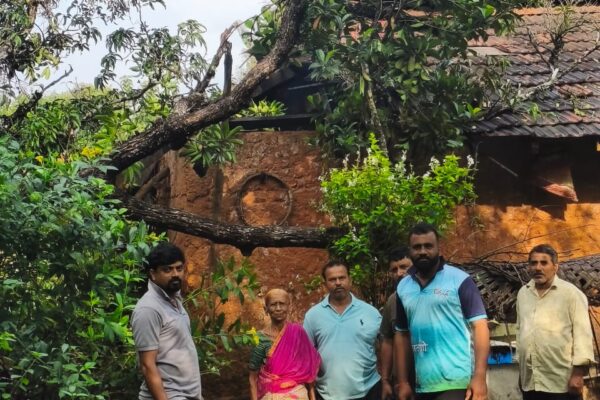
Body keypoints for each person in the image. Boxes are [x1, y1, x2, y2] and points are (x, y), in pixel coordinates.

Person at [394, 222, 489, 400]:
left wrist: (479, 376)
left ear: (439, 248)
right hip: (422, 385)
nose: (423, 251)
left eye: (428, 246)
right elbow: (402, 334)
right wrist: (403, 382)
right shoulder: (403, 287)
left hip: (458, 382)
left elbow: (480, 326)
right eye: (417, 247)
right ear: (410, 251)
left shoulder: (460, 280)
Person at [516, 244, 595, 400]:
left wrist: (578, 374)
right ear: (529, 267)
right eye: (533, 263)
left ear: (555, 267)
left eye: (544, 263)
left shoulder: (571, 294)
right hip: (531, 381)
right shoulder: (523, 294)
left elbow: (583, 335)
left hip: (561, 382)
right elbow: (520, 331)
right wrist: (521, 370)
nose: (538, 268)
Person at [131, 242, 202, 400]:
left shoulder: (174, 300)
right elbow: (147, 365)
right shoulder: (148, 309)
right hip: (170, 395)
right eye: (167, 270)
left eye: (179, 268)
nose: (175, 274)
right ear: (153, 274)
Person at [303, 260, 383, 400]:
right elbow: (305, 354)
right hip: (327, 394)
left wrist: (386, 379)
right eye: (332, 279)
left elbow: (384, 347)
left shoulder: (370, 313)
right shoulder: (313, 316)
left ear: (350, 280)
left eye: (342, 277)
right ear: (325, 284)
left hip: (369, 391)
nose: (338, 283)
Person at [248, 288, 321, 400]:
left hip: (298, 394)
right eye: (273, 305)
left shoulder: (298, 333)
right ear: (266, 309)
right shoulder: (260, 338)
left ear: (289, 307)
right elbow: (253, 377)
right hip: (271, 395)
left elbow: (308, 371)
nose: (278, 308)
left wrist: (312, 397)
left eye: (282, 304)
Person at [380, 247, 413, 400]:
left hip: (433, 378)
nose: (399, 273)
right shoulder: (392, 301)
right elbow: (387, 341)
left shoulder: (431, 294)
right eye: (394, 270)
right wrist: (385, 380)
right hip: (401, 382)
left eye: (404, 267)